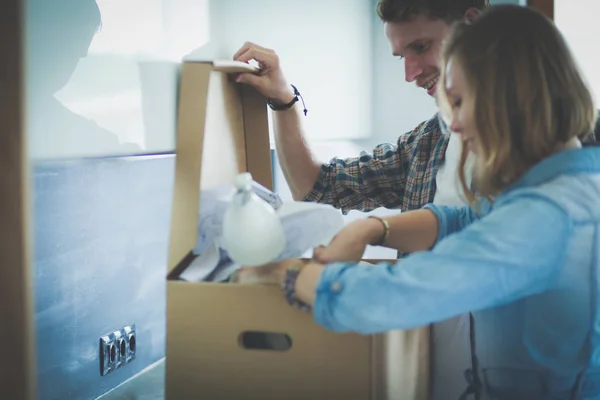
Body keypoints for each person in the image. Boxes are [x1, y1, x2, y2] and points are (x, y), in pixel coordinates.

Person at [235, 4, 600, 399]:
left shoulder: (547, 216)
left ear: (512, 96)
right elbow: (470, 221)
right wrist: (374, 228)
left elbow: (391, 296)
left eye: (460, 101)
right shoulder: (569, 183)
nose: (454, 123)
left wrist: (285, 273)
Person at [234, 1, 488, 399]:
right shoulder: (429, 141)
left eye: (421, 47)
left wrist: (295, 276)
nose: (410, 74)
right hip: (435, 379)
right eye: (402, 55)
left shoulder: (562, 169)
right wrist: (284, 102)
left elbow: (457, 264)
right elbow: (322, 187)